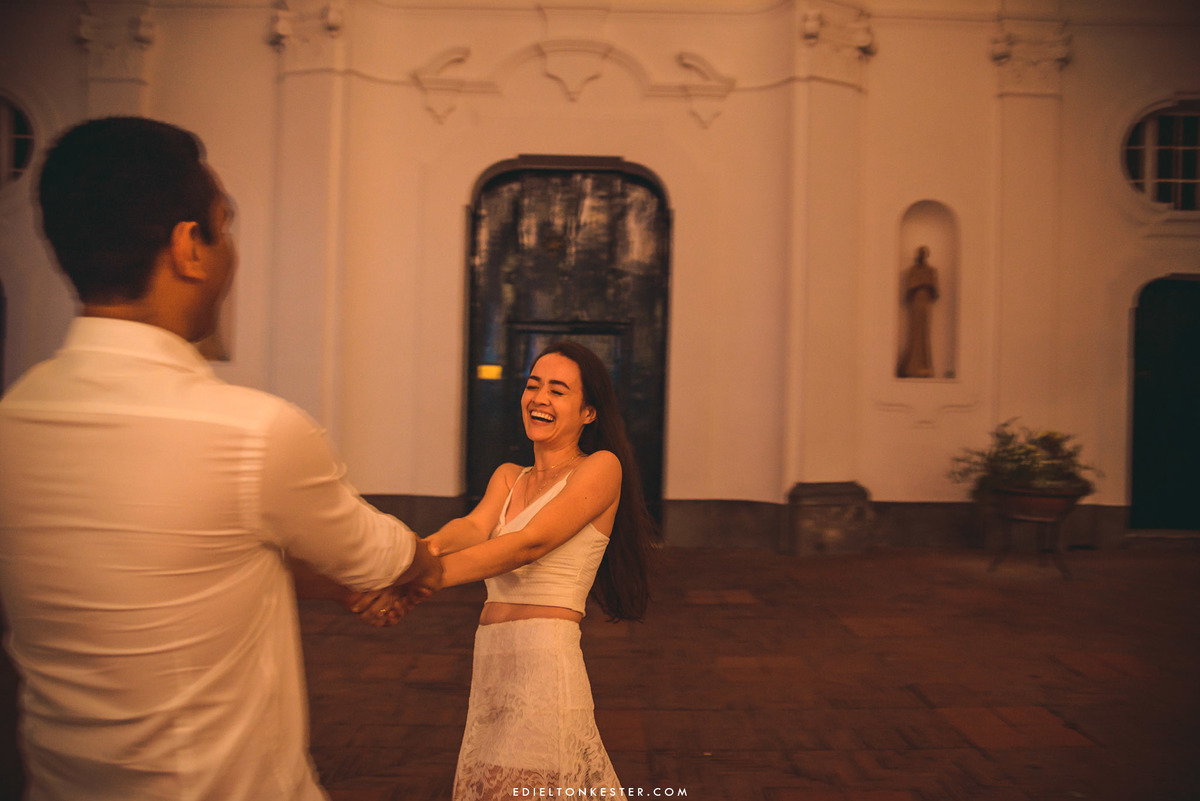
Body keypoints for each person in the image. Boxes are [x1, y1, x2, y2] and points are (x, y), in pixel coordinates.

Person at [0, 116, 441, 801]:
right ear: (189, 248)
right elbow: (383, 558)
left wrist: (330, 585)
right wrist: (420, 563)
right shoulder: (255, 434)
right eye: (225, 227)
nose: (232, 252)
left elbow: (167, 565)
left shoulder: (14, 419)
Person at [388, 341, 654, 800]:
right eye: (533, 386)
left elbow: (529, 544)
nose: (539, 398)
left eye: (558, 390)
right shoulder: (510, 476)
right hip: (493, 660)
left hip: (545, 665)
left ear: (588, 413)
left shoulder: (601, 468)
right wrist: (419, 552)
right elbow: (474, 527)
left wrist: (426, 577)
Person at [898, 245, 940, 378]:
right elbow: (909, 289)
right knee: (915, 332)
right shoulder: (912, 270)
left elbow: (936, 292)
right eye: (920, 253)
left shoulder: (931, 271)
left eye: (923, 253)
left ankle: (924, 367)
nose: (921, 255)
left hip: (925, 303)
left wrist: (924, 285)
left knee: (924, 333)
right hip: (915, 304)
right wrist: (920, 284)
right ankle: (911, 366)